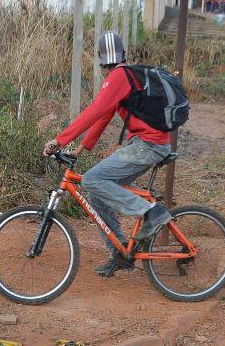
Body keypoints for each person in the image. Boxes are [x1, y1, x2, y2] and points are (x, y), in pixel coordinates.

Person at [42, 31, 173, 277]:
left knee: (92, 180)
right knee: (97, 192)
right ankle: (120, 252)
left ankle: (151, 212)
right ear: (122, 52)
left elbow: (94, 111)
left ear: (101, 56)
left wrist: (60, 140)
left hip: (147, 145)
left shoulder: (118, 77)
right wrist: (80, 148)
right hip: (147, 144)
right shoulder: (126, 75)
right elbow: (104, 116)